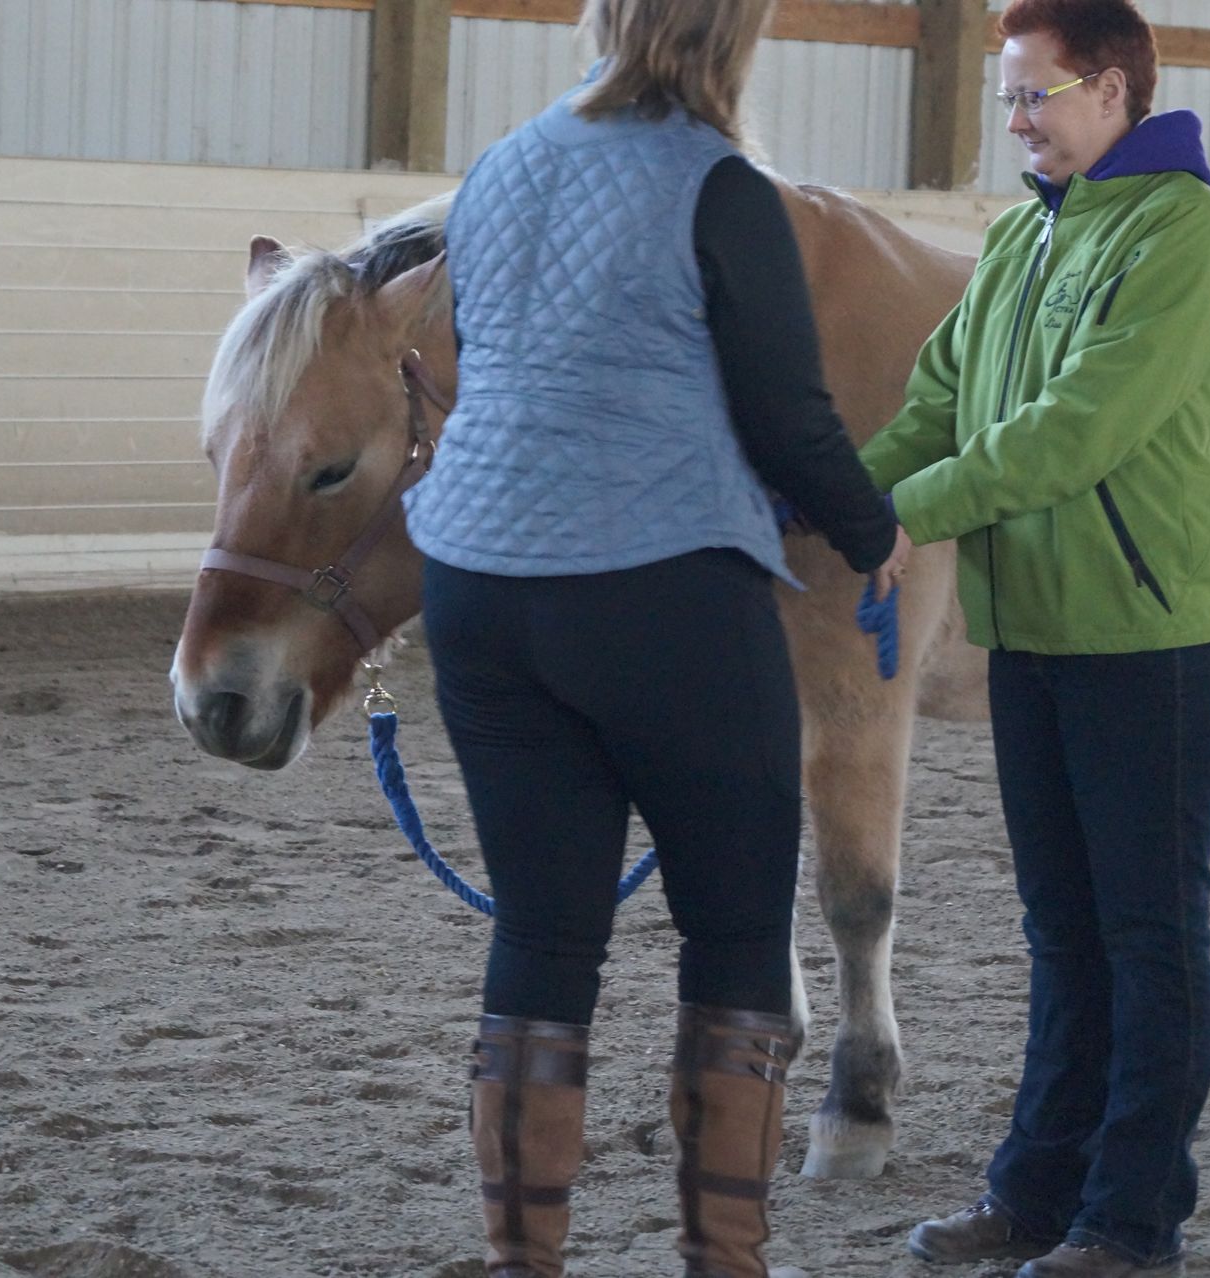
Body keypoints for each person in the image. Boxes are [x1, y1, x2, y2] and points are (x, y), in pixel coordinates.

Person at [403, 1, 911, 1274]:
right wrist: (871, 527)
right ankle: (724, 1258)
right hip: (658, 589)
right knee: (735, 930)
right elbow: (789, 412)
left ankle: (526, 1259)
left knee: (542, 930)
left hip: (475, 578)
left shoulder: (502, 163)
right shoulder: (721, 185)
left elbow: (488, 360)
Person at [857, 2, 1210, 1275]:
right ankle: (1035, 1194)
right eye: (1008, 97)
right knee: (1063, 933)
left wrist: (902, 519)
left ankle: (1132, 1222)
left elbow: (1074, 432)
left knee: (1147, 935)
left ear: (1116, 92)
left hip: (1152, 639)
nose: (1017, 120)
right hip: (1034, 630)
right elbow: (937, 402)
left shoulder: (1184, 233)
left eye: (1037, 94)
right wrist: (832, 503)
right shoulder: (1028, 235)